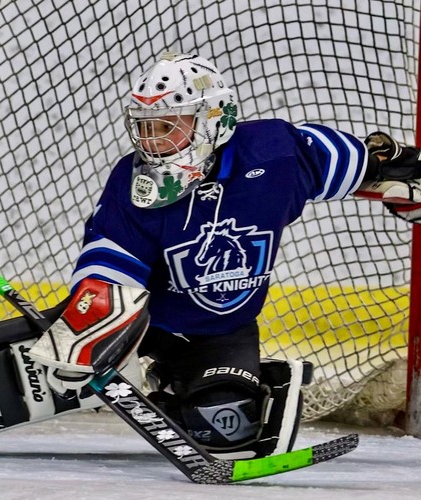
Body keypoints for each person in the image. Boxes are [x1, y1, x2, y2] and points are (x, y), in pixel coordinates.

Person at [28, 52, 421, 459]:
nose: (152, 141)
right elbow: (111, 260)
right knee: (67, 354)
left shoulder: (275, 155)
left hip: (222, 330)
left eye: (167, 126)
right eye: (145, 127)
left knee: (226, 425)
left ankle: (175, 396)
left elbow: (355, 161)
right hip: (145, 322)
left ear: (212, 119)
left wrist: (398, 172)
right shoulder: (134, 181)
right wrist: (88, 330)